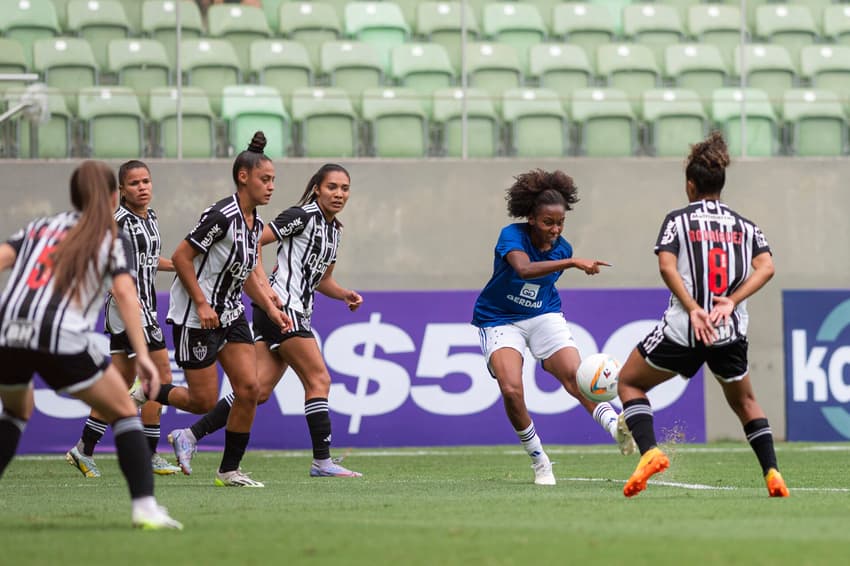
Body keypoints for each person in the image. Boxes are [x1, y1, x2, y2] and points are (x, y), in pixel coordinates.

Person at [0, 160, 182, 530]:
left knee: (17, 412)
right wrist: (143, 354)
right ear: (115, 194)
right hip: (60, 335)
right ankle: (145, 507)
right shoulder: (112, 234)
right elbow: (125, 292)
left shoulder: (40, 226)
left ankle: (88, 453)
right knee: (124, 410)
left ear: (74, 196)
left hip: (8, 332)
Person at [617, 131, 789, 498]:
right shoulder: (746, 226)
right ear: (721, 184)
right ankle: (772, 472)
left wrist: (695, 309)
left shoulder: (677, 221)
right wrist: (730, 300)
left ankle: (649, 452)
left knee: (629, 383)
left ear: (690, 185)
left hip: (685, 329)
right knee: (745, 403)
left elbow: (666, 266)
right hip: (728, 331)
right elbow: (767, 267)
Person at [168, 163, 364, 478]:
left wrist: (343, 294)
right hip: (282, 307)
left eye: (344, 188)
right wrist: (262, 285)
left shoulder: (334, 231)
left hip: (291, 310)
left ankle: (189, 435)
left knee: (256, 391)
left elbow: (322, 280)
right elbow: (255, 241)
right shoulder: (300, 216)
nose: (339, 194)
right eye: (332, 187)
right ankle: (322, 461)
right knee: (319, 380)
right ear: (316, 188)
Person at [135, 131, 287, 487]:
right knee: (202, 401)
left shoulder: (253, 224)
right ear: (243, 177)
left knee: (250, 389)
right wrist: (202, 303)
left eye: (274, 181)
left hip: (231, 314)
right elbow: (182, 257)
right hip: (196, 317)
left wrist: (269, 305)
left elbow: (246, 271)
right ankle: (146, 390)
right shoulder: (221, 216)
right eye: (265, 180)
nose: (271, 187)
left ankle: (228, 470)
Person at [471, 169, 636, 486]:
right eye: (548, 222)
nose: (555, 229)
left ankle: (616, 427)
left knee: (576, 376)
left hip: (543, 314)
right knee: (511, 389)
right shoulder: (512, 236)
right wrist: (573, 263)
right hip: (498, 317)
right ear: (531, 218)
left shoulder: (563, 247)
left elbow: (540, 283)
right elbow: (524, 269)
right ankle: (540, 461)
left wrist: (568, 259)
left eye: (560, 223)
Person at [66, 160, 181, 478]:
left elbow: (148, 259)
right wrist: (130, 307)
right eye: (134, 183)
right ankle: (148, 453)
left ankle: (84, 448)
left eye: (146, 181)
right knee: (161, 379)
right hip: (131, 311)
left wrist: (181, 267)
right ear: (121, 190)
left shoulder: (151, 217)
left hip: (143, 309)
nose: (142, 187)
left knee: (119, 384)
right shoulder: (117, 223)